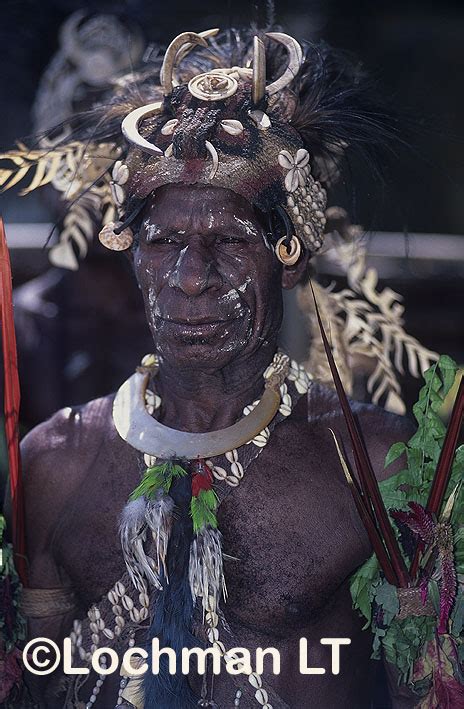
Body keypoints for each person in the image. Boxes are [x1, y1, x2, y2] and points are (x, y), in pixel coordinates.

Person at [2, 26, 440, 708]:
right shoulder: (56, 464)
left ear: (288, 256)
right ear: (131, 252)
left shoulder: (379, 466)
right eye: (165, 241)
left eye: (229, 241)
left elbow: (431, 689)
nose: (192, 278)